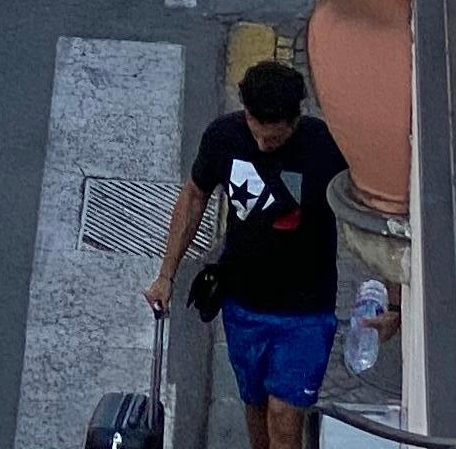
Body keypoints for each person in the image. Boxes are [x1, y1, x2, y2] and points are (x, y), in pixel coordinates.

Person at [149, 53, 350, 449]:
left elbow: (369, 208)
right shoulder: (223, 137)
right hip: (242, 306)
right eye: (256, 133)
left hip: (306, 313)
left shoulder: (327, 148)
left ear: (296, 119)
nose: (262, 145)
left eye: (273, 140)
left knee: (284, 420)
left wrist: (391, 298)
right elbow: (193, 196)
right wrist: (165, 275)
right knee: (256, 408)